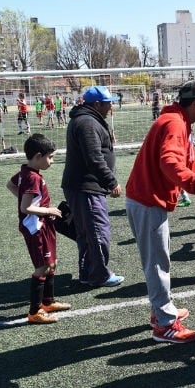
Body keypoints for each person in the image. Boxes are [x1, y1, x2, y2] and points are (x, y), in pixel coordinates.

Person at [125, 80, 195, 344]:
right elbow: (169, 162)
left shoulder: (178, 121)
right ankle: (165, 324)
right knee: (157, 263)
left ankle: (163, 310)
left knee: (160, 259)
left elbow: (189, 160)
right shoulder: (175, 123)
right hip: (147, 201)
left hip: (147, 199)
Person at [61, 86, 124, 287]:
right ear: (97, 104)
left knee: (87, 233)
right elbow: (94, 158)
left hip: (83, 187)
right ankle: (99, 275)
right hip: (86, 187)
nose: (111, 105)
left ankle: (88, 273)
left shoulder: (87, 119)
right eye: (108, 102)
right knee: (98, 232)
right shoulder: (87, 123)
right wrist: (111, 181)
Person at [6, 134, 71, 324]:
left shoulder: (25, 173)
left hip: (44, 224)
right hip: (36, 228)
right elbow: (25, 208)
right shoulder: (32, 178)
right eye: (49, 157)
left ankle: (47, 302)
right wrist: (47, 210)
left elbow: (10, 184)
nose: (51, 161)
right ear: (38, 156)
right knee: (42, 267)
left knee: (52, 262)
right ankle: (34, 312)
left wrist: (29, 200)